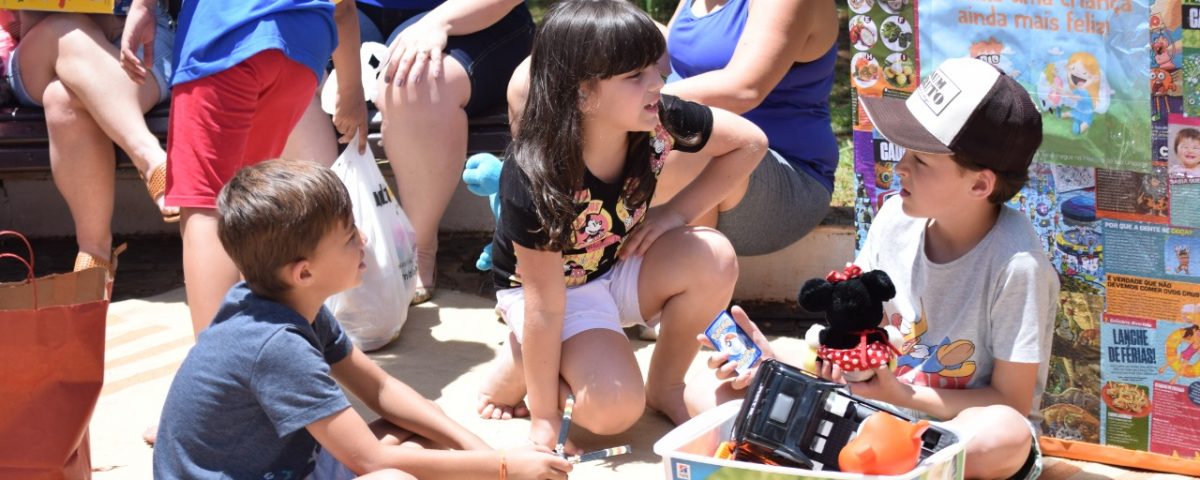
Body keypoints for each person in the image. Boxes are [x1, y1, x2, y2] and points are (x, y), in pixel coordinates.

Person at [688, 58, 1059, 480]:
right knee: (707, 393)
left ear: (979, 184)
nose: (901, 167)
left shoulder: (1018, 264)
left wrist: (903, 394)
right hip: (869, 417)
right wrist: (777, 371)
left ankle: (866, 464)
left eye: (921, 160)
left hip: (943, 434)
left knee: (1002, 433)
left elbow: (1010, 402)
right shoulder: (895, 218)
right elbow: (855, 340)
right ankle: (855, 462)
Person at [154, 159, 571, 479]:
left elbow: (380, 386)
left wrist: (480, 452)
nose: (365, 240)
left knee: (415, 422)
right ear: (304, 272)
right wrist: (502, 467)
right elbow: (367, 459)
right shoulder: (276, 346)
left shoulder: (284, 301)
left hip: (286, 461)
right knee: (393, 475)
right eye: (350, 236)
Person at [474, 0, 768, 448]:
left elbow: (750, 144)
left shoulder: (658, 119)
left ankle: (666, 386)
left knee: (714, 256)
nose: (659, 82)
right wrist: (546, 418)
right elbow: (546, 306)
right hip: (547, 293)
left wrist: (676, 213)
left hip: (613, 264)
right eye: (635, 76)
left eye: (656, 67)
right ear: (581, 92)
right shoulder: (537, 173)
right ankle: (523, 365)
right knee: (614, 412)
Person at [120, 0, 358, 337]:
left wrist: (144, 6)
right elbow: (344, 8)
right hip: (303, 49)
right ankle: (267, 345)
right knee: (247, 204)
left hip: (224, 36)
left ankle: (220, 365)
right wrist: (351, 91)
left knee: (207, 206)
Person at [284, 0, 535, 304]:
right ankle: (323, 240)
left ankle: (416, 248)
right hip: (353, 10)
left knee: (416, 78)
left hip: (472, 14)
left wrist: (440, 22)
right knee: (285, 67)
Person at [655, 0, 840, 256]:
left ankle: (694, 287)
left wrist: (633, 100)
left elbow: (743, 89)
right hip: (703, 154)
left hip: (783, 182)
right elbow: (672, 53)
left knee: (682, 138)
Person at [6, 6, 177, 275]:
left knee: (63, 98)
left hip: (136, 42)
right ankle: (148, 156)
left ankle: (94, 253)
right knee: (66, 27)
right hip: (42, 49)